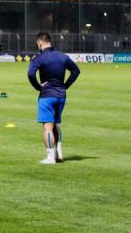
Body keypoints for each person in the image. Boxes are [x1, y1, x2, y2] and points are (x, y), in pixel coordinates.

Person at [27, 31, 80, 164]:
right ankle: (59, 152)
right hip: (61, 95)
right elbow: (76, 71)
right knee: (55, 124)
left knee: (47, 127)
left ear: (40, 43)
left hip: (47, 96)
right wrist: (66, 85)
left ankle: (50, 157)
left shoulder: (38, 58)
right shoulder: (62, 56)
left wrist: (38, 87)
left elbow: (31, 74)